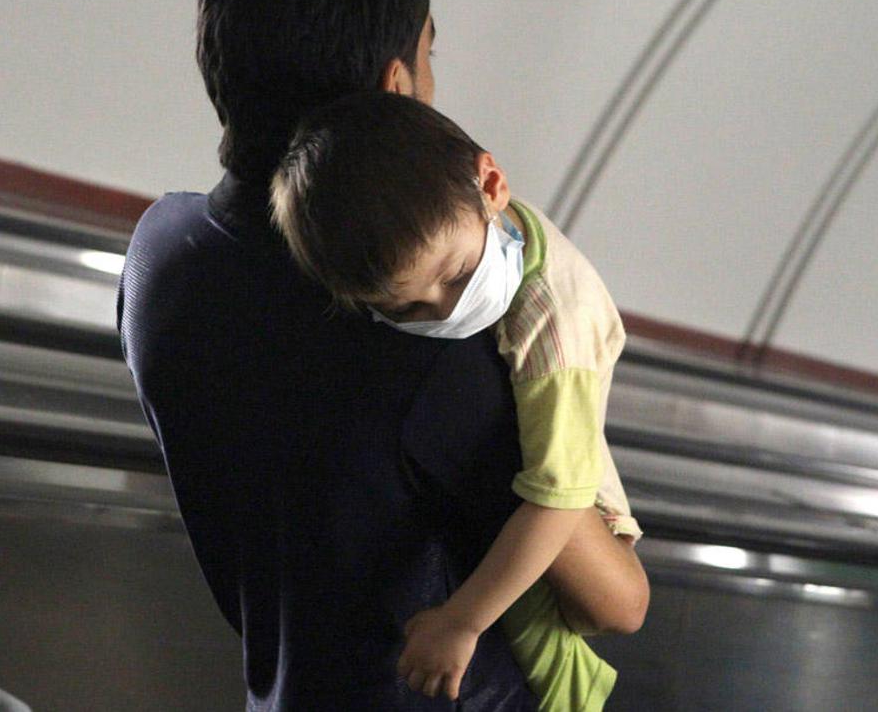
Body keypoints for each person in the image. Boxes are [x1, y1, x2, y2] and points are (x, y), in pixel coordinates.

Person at [117, 0, 648, 710]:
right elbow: (616, 602)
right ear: (394, 89)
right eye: (431, 52)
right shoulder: (434, 344)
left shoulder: (160, 257)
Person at [270, 92, 642, 710]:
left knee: (545, 640)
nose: (447, 311)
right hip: (553, 478)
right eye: (409, 309)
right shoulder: (461, 215)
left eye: (456, 275)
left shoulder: (555, 331)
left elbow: (560, 497)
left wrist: (461, 621)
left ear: (491, 184)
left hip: (579, 491)